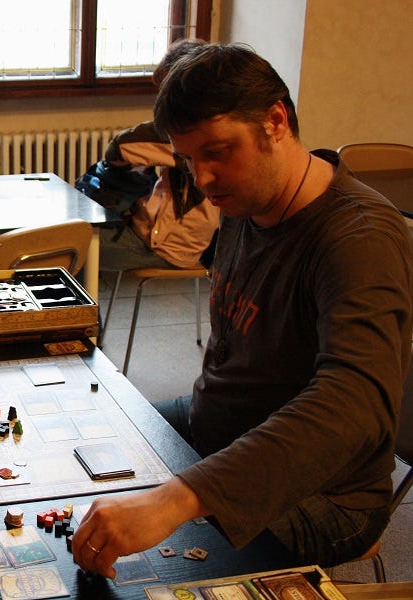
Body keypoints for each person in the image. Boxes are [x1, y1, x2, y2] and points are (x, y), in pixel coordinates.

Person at [73, 43, 412, 577]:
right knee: (79, 447)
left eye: (217, 151)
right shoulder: (244, 199)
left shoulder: (359, 238)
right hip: (215, 429)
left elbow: (354, 406)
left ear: (275, 121)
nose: (202, 178)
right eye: (188, 159)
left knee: (155, 568)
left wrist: (180, 496)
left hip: (328, 495)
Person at [98, 39, 219, 274]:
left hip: (166, 245)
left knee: (71, 245)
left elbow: (118, 148)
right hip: (169, 233)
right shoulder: (212, 124)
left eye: (166, 92)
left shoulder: (185, 131)